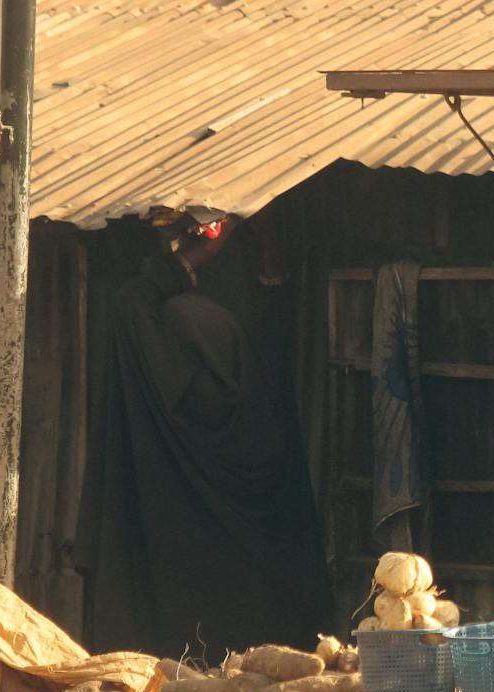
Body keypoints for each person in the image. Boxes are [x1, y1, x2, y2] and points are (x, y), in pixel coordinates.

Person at [77, 213, 333, 660]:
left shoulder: (171, 408)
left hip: (179, 656)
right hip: (262, 662)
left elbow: (130, 305)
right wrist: (269, 252)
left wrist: (197, 255)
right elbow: (274, 341)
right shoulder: (262, 422)